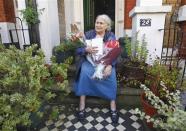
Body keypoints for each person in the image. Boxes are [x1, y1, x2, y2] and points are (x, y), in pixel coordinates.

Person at [72, 14, 120, 123]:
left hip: (104, 63)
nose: (98, 25)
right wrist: (86, 50)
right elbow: (77, 50)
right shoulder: (88, 34)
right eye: (97, 22)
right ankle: (82, 105)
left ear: (107, 26)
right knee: (84, 71)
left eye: (101, 23)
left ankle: (113, 106)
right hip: (89, 62)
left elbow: (114, 53)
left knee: (111, 74)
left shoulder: (110, 36)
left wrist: (109, 65)